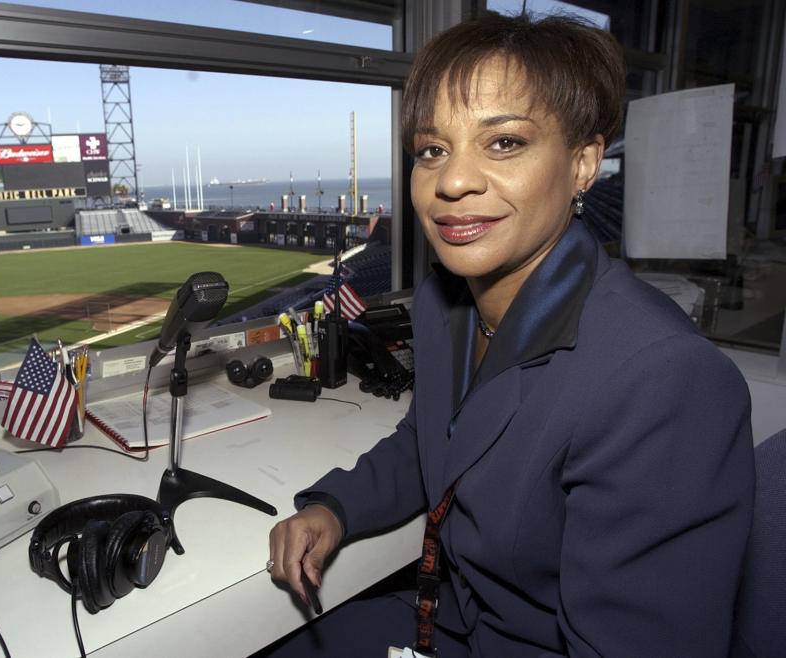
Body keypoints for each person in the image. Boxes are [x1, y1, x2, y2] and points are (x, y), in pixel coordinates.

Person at [266, 12, 755, 657]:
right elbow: (431, 441)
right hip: (444, 621)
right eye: (432, 150)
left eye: (503, 143)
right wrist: (335, 507)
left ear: (584, 164)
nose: (452, 181)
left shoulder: (664, 382)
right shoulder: (448, 306)